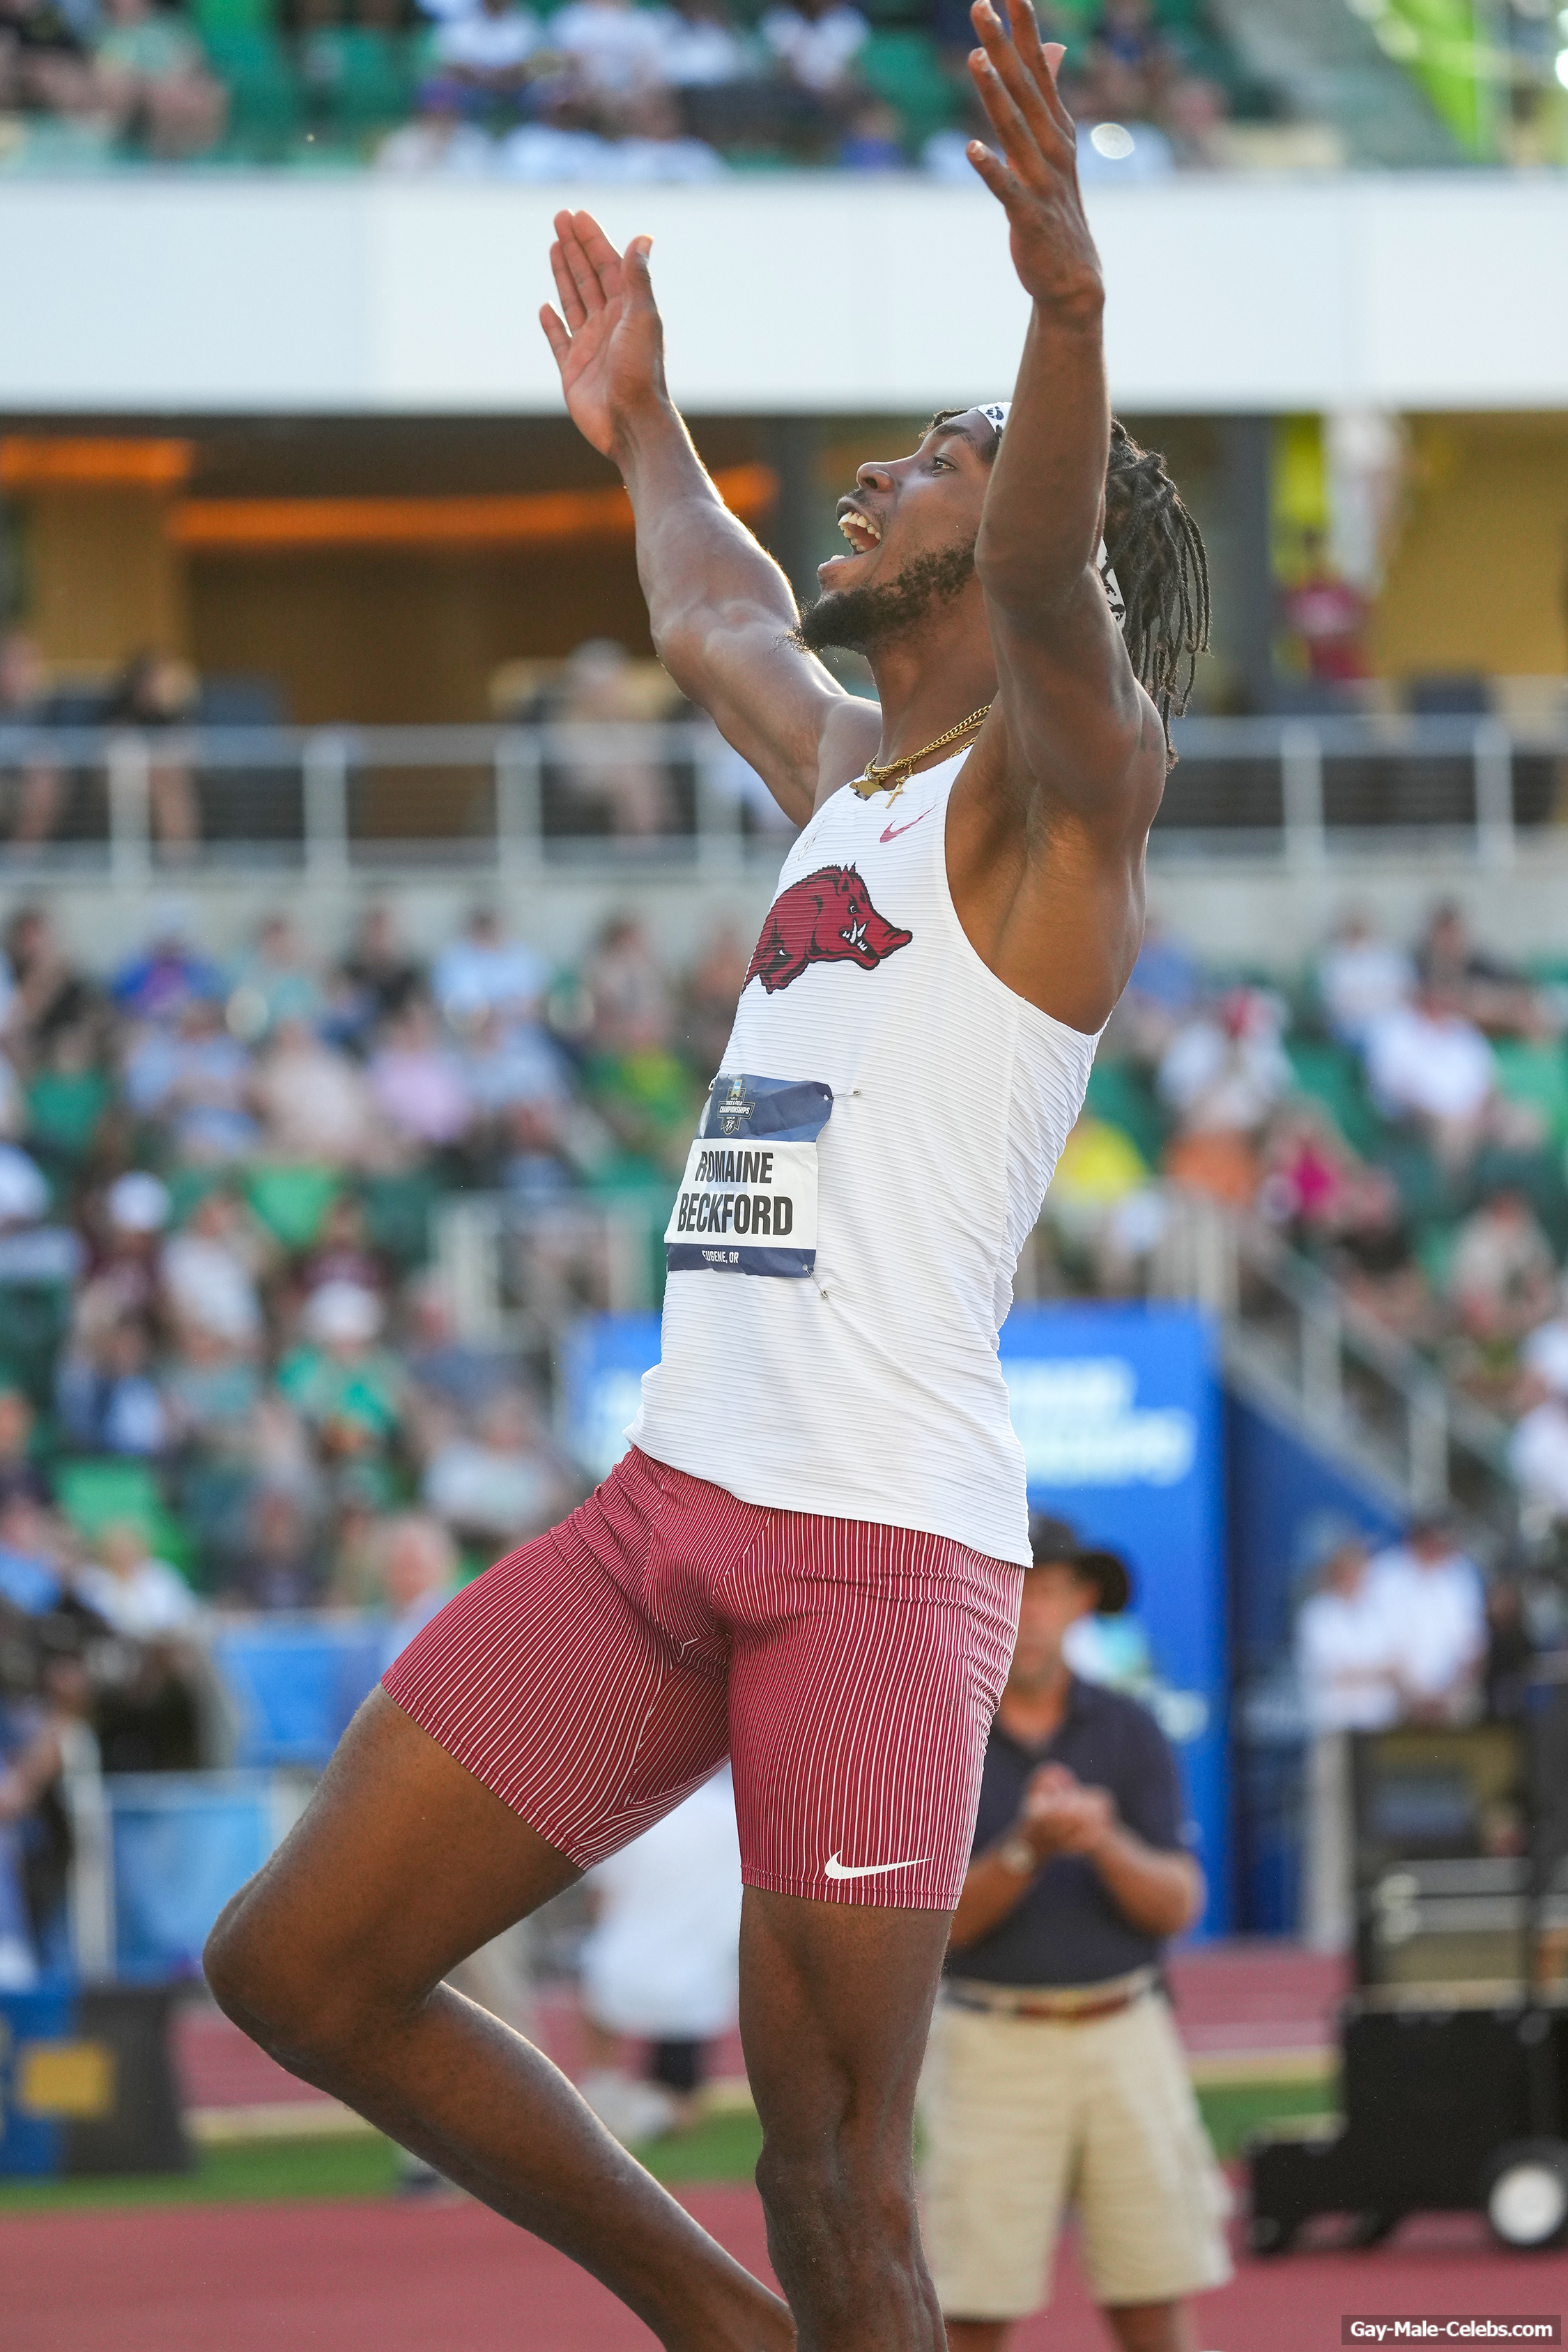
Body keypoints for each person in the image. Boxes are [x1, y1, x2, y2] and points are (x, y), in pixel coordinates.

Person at [203, 22, 1211, 2345]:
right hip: (672, 1505)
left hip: (876, 1553)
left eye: (931, 461)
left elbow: (1058, 565)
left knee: (841, 2175)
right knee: (302, 1963)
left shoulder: (1070, 792)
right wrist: (641, 426)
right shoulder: (858, 767)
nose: (876, 473)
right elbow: (708, 614)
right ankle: (710, 2321)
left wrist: (1061, 315)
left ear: (1031, 544)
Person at [920, 1515, 1227, 2352]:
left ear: (1082, 1601)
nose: (1028, 1610)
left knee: (1155, 2295)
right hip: (989, 2039)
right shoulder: (935, 1734)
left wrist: (1101, 1841)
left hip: (1129, 2032)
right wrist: (1028, 1847)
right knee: (970, 2309)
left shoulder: (1130, 1729)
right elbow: (934, 1934)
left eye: (1046, 1588)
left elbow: (1177, 1905)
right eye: (1009, 1586)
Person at [1293, 1529, 1399, 1953]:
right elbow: (1338, 1672)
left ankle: (1382, 1920)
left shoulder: (1379, 1614)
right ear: (1337, 1573)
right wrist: (1376, 1672)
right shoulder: (1318, 1615)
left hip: (1379, 1738)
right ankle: (1328, 1926)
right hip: (1336, 1737)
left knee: (1382, 1833)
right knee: (1331, 1833)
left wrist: (1371, 1672)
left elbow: (1395, 1666)